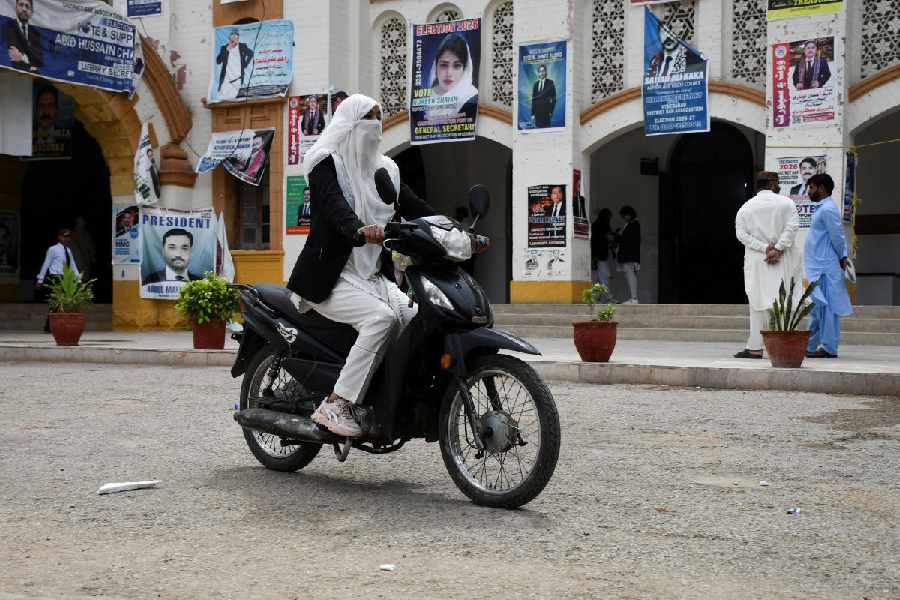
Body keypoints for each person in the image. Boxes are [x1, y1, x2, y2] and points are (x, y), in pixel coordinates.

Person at [286, 94, 435, 438]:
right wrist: (357, 229)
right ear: (350, 126)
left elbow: (416, 208)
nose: (376, 130)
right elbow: (334, 207)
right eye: (369, 121)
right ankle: (336, 403)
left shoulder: (387, 171)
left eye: (379, 122)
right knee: (381, 319)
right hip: (330, 278)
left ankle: (388, 399)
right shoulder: (325, 163)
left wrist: (455, 229)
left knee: (415, 319)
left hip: (371, 277)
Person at [733, 172, 802, 359]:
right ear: (772, 184)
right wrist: (778, 249)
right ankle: (783, 344)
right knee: (783, 301)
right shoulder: (787, 203)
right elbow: (792, 227)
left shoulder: (745, 208)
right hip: (783, 259)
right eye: (777, 182)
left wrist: (764, 248)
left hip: (758, 260)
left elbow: (741, 234)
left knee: (757, 303)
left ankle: (755, 346)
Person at [804, 173, 852, 358]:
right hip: (818, 266)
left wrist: (843, 256)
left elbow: (838, 237)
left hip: (826, 267)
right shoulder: (822, 208)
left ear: (821, 188)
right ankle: (809, 346)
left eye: (811, 187)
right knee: (818, 308)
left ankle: (829, 348)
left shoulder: (828, 209)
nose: (809, 191)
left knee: (828, 308)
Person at [427, 33, 478, 121]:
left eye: (457, 66)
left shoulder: (470, 98)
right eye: (444, 65)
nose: (449, 73)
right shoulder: (425, 97)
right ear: (436, 66)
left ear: (464, 69)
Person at [35, 229, 79, 332]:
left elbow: (73, 265)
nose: (67, 239)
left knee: (61, 302)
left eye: (68, 237)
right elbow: (46, 264)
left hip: (65, 279)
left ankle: (50, 326)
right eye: (65, 236)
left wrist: (78, 279)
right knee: (56, 302)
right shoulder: (53, 249)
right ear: (59, 237)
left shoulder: (68, 250)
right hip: (55, 278)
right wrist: (40, 279)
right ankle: (49, 326)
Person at [216, 29, 254, 100]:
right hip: (226, 79)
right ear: (229, 39)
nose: (234, 40)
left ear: (238, 39)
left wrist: (245, 64)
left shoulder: (242, 46)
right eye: (232, 39)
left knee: (237, 98)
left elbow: (251, 53)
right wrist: (227, 49)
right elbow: (218, 61)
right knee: (221, 98)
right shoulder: (224, 48)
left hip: (237, 79)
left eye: (236, 38)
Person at [5, 0, 42, 71]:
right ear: (16, 7)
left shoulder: (35, 33)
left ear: (31, 12)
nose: (24, 9)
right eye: (21, 5)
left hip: (30, 75)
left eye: (27, 6)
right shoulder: (7, 26)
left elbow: (39, 60)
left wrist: (22, 57)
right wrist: (30, 59)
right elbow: (8, 51)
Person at [616, 205, 640, 304]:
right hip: (629, 256)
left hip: (630, 255)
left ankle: (634, 298)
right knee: (629, 276)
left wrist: (619, 236)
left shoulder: (634, 224)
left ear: (629, 214)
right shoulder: (630, 224)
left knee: (630, 276)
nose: (624, 218)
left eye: (625, 215)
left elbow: (630, 240)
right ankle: (633, 297)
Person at [591, 208, 614, 290]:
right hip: (602, 255)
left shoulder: (594, 224)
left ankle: (595, 298)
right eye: (610, 217)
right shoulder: (604, 224)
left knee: (596, 278)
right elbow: (609, 237)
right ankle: (608, 298)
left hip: (594, 254)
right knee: (605, 277)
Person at [531, 64, 557, 128]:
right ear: (538, 73)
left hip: (546, 114)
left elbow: (554, 98)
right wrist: (532, 114)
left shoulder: (550, 82)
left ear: (545, 72)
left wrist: (551, 111)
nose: (541, 73)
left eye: (543, 71)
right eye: (540, 71)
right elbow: (533, 100)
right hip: (537, 115)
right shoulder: (535, 84)